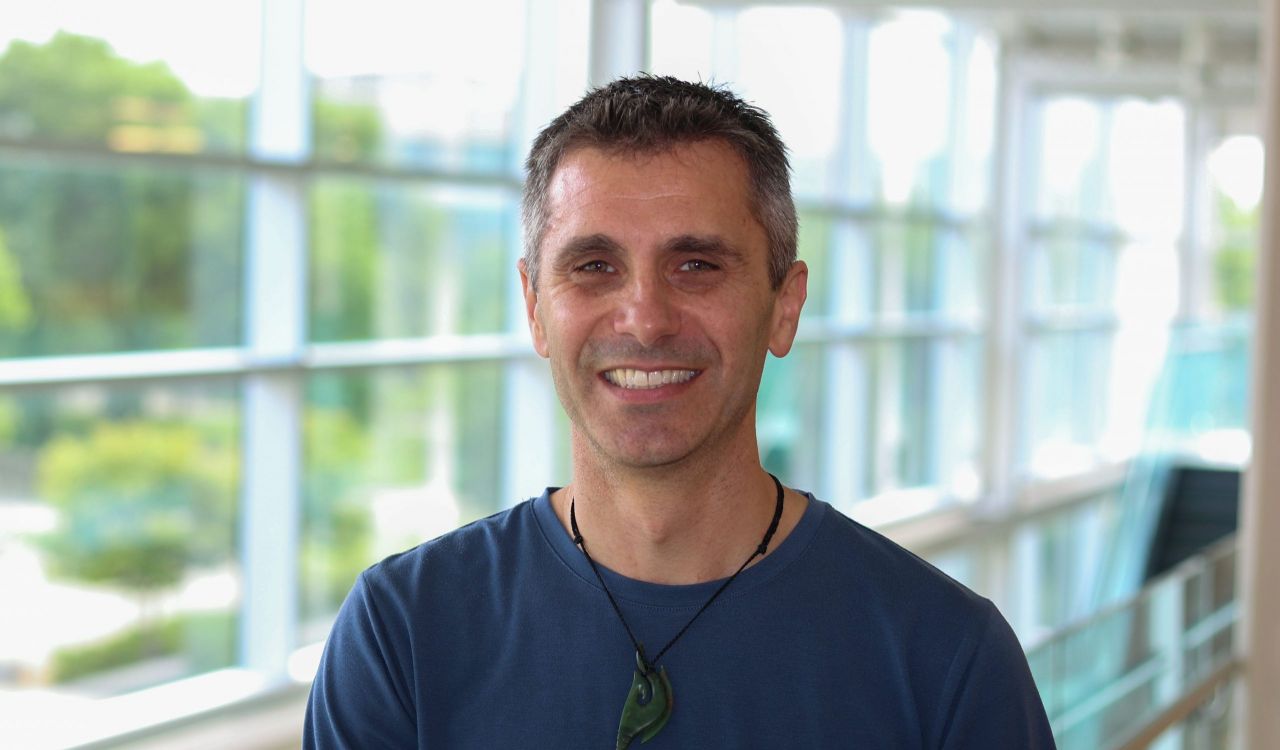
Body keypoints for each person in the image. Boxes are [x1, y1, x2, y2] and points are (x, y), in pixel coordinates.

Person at [305, 75, 1055, 749]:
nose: (646, 318)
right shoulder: (403, 632)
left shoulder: (945, 657)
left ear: (783, 307)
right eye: (594, 267)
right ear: (535, 309)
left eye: (696, 266)